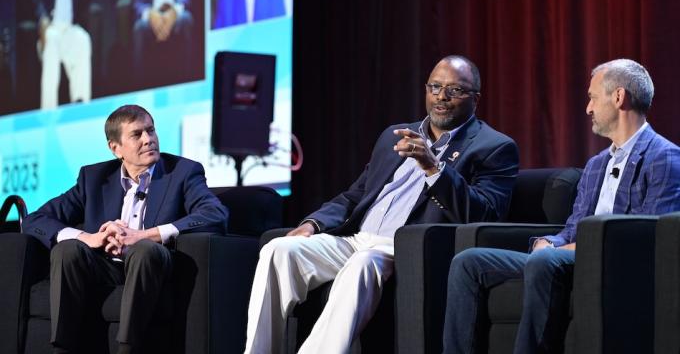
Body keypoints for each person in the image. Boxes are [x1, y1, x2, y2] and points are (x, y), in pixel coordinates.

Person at [244, 55, 520, 354]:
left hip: (406, 246)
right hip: (355, 239)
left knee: (363, 264)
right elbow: (356, 195)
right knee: (278, 250)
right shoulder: (395, 134)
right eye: (435, 87)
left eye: (454, 90)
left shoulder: (493, 146)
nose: (441, 96)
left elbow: (486, 213)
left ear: (475, 99)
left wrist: (433, 168)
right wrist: (313, 223)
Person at [442, 59, 680, 354]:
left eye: (592, 98)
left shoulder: (664, 158)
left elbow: (649, 237)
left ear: (618, 97)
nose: (588, 109)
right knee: (468, 261)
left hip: (614, 263)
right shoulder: (596, 165)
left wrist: (561, 251)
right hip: (569, 257)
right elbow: (571, 229)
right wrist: (547, 242)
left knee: (545, 261)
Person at [22, 104, 229, 353]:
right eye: (137, 134)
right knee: (67, 250)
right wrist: (88, 238)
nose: (149, 139)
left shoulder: (183, 172)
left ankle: (128, 348)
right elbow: (35, 219)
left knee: (144, 250)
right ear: (115, 148)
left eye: (151, 131)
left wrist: (144, 235)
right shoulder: (93, 178)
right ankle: (63, 349)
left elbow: (215, 214)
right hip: (104, 266)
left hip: (152, 266)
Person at [34, 0, 93, 110]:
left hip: (69, 28)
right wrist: (42, 19)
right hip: (50, 27)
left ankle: (81, 106)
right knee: (51, 39)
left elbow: (83, 2)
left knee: (83, 39)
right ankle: (48, 110)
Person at [133, 0, 194, 87]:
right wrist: (151, 15)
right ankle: (139, 87)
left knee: (186, 19)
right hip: (153, 14)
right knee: (139, 27)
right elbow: (138, 3)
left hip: (175, 10)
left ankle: (188, 82)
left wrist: (174, 11)